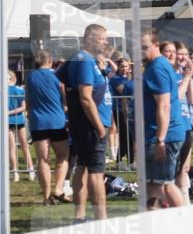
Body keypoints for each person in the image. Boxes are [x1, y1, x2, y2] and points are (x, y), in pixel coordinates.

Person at [63, 24, 113, 222]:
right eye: (103, 38)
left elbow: (62, 81)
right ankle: (101, 218)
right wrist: (99, 126)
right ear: (91, 38)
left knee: (83, 166)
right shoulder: (83, 60)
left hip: (89, 123)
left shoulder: (85, 60)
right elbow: (85, 97)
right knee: (96, 171)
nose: (106, 42)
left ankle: (80, 216)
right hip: (92, 125)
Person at [141, 29, 186, 208]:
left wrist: (160, 139)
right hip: (165, 133)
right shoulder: (159, 65)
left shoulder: (157, 68)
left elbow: (164, 105)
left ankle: (184, 222)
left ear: (155, 45)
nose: (140, 51)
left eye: (144, 47)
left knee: (163, 184)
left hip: (164, 135)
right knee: (156, 183)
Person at [26, 51, 70, 204]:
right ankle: (58, 189)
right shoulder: (57, 76)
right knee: (63, 156)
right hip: (57, 121)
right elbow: (64, 100)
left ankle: (46, 197)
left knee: (42, 160)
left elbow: (28, 101)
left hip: (38, 122)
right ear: (50, 61)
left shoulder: (30, 77)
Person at [163, 41, 193, 203]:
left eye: (184, 54)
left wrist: (189, 78)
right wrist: (186, 77)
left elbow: (192, 99)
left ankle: (185, 202)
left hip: (186, 125)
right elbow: (176, 97)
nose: (182, 57)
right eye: (179, 53)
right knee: (172, 170)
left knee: (184, 169)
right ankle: (173, 203)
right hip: (173, 127)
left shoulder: (183, 75)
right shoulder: (169, 73)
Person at [8, 70, 34, 183]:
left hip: (19, 120)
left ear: (12, 78)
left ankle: (31, 170)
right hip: (8, 122)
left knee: (24, 145)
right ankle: (15, 171)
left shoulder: (19, 90)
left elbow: (23, 107)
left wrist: (8, 112)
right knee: (11, 147)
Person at [108, 58, 135, 166]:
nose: (125, 69)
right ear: (118, 67)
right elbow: (124, 90)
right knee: (125, 135)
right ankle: (127, 161)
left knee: (128, 136)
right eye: (122, 66)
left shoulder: (130, 79)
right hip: (119, 110)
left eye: (127, 66)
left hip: (130, 110)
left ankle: (123, 161)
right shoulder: (116, 79)